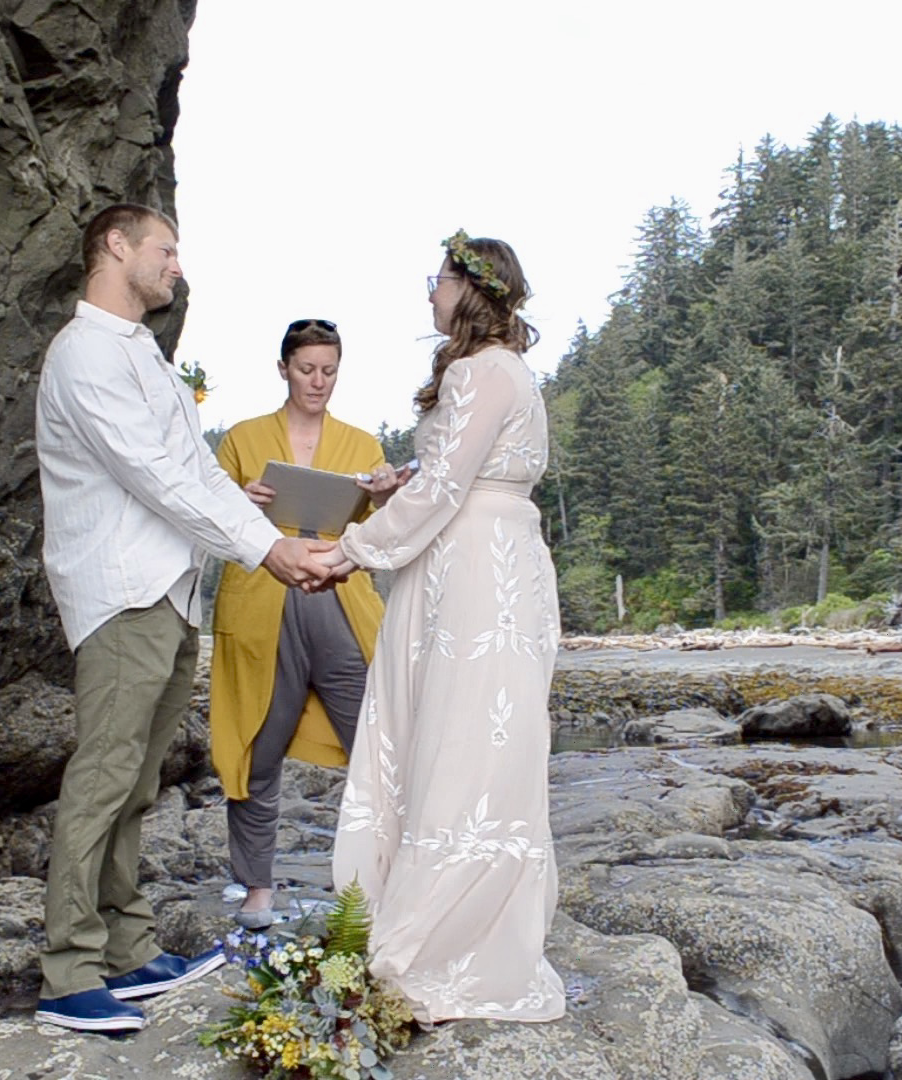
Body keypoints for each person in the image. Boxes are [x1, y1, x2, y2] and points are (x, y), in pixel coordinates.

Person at [32, 203, 335, 1035]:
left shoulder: (144, 356)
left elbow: (190, 474)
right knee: (101, 778)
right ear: (116, 247)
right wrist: (268, 550)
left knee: (134, 782)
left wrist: (249, 520)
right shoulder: (84, 352)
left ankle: (128, 953)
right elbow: (154, 475)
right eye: (164, 249)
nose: (175, 265)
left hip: (169, 589)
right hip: (120, 590)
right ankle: (68, 972)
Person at [312, 231, 566, 1023]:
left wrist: (348, 551)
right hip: (480, 562)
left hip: (473, 576)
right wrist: (402, 478)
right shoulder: (502, 372)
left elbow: (453, 485)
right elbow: (461, 469)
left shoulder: (480, 370)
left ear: (472, 288)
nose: (430, 293)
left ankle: (439, 937)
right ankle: (438, 912)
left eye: (440, 279)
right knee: (462, 732)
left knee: (463, 737)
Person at [209, 319, 412, 929]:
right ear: (283, 368)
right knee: (256, 743)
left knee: (374, 742)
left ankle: (390, 876)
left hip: (341, 598)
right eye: (306, 369)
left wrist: (382, 497)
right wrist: (237, 501)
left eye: (328, 370)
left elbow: (389, 526)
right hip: (260, 601)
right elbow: (207, 512)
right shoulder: (242, 439)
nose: (318, 381)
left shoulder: (361, 443)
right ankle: (256, 887)